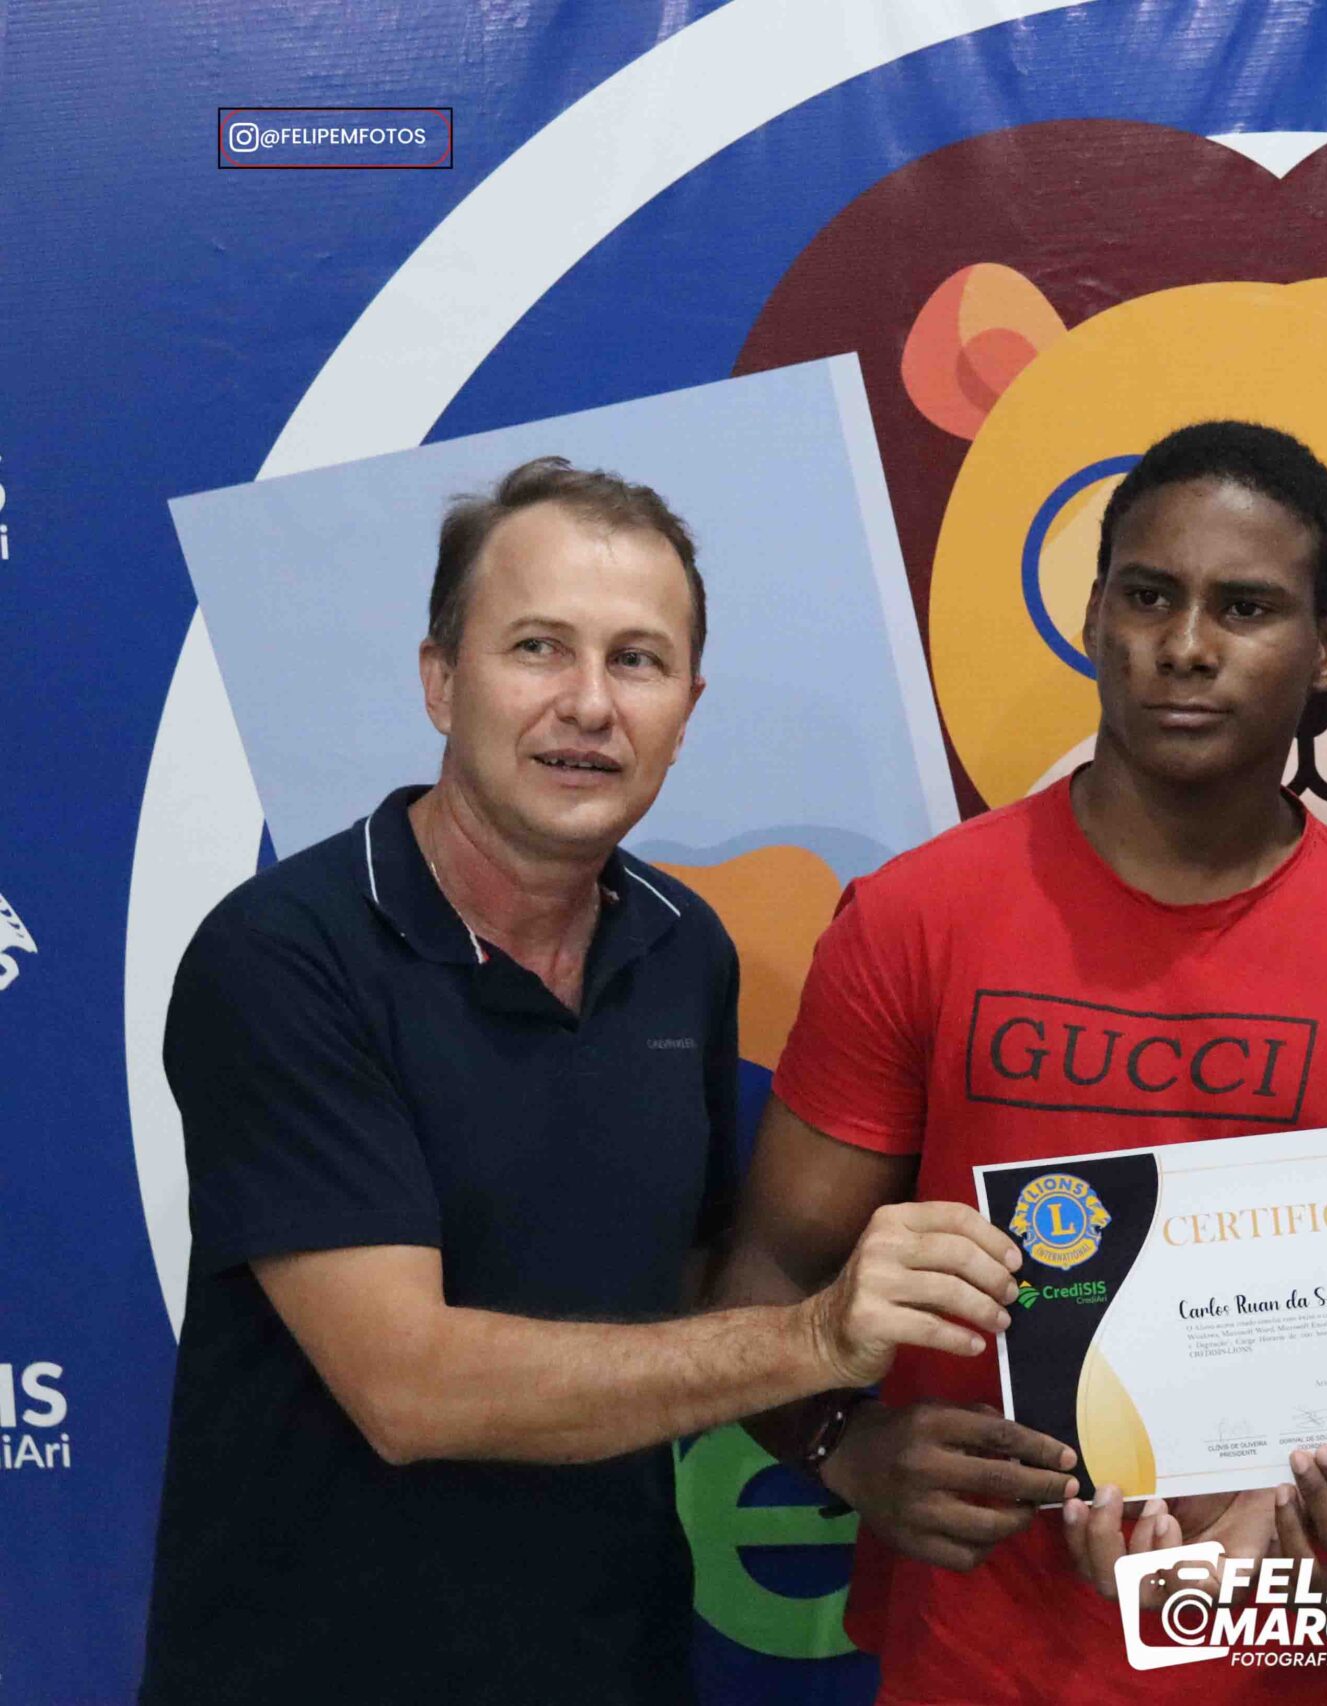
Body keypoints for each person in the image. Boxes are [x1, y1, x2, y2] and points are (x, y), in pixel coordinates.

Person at [141, 457, 1016, 1706]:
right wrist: (817, 1336)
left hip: (614, 1659)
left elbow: (689, 1284)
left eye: (637, 660)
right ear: (441, 679)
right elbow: (408, 1385)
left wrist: (861, 1411)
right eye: (538, 647)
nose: (590, 704)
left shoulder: (683, 948)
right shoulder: (286, 955)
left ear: (687, 707)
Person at [714, 420, 1327, 1703]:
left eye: (1245, 607)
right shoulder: (913, 922)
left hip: (1297, 1672)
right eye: (1149, 595)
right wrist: (845, 1446)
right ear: (1093, 614)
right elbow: (764, 1279)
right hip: (977, 1667)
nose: (1186, 644)